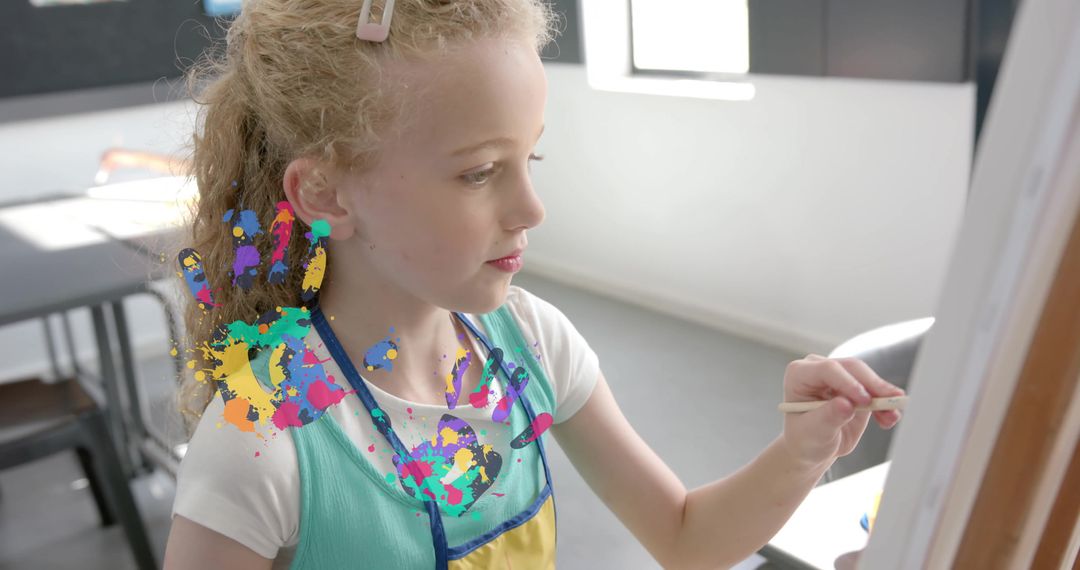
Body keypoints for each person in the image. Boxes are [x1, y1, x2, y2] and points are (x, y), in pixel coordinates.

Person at [163, 1, 905, 568]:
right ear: (327, 195)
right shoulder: (259, 444)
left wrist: (801, 454)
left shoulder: (531, 344)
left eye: (531, 162)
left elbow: (685, 537)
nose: (532, 209)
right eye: (480, 172)